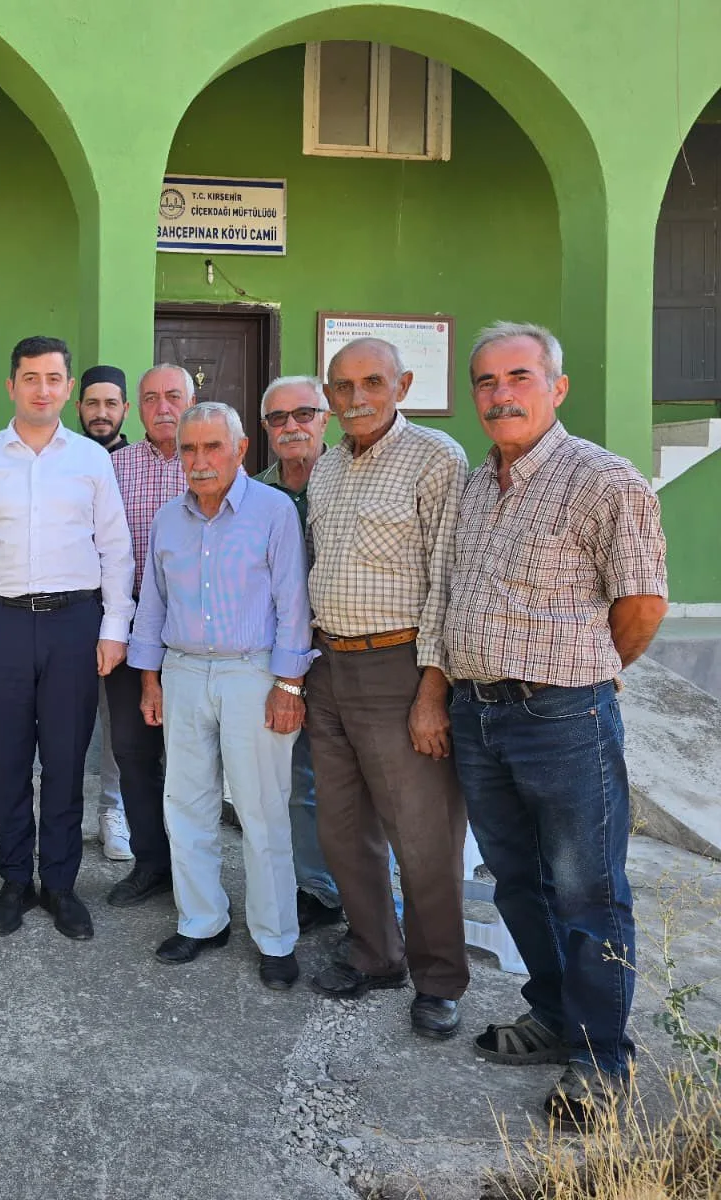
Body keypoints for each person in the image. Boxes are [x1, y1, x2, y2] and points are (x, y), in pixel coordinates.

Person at [447, 322, 667, 1124]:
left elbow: (641, 607)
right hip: (480, 712)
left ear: (557, 387)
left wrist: (578, 677)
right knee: (515, 881)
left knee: (588, 892)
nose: (500, 394)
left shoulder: (605, 481)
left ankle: (602, 1062)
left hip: (564, 716)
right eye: (485, 381)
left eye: (518, 377)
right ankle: (553, 1012)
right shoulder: (476, 484)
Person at [0, 335, 133, 940]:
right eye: (31, 378)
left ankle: (60, 882)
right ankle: (14, 880)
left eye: (53, 379)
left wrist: (113, 628)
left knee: (68, 756)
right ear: (12, 386)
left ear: (67, 388)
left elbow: (116, 551)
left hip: (74, 624)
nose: (42, 389)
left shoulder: (91, 461)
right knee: (11, 756)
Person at [305, 337, 469, 1041]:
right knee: (342, 828)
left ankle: (440, 981)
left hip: (400, 667)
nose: (356, 397)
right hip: (328, 667)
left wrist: (433, 691)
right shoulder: (327, 468)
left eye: (372, 381)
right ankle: (377, 954)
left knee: (422, 835)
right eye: (341, 386)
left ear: (402, 383)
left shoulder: (438, 460)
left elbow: (447, 583)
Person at [130, 403, 311, 988]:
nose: (200, 462)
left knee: (261, 811)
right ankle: (202, 921)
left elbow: (293, 605)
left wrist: (288, 684)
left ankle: (276, 937)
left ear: (240, 451)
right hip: (182, 672)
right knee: (184, 805)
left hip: (251, 674)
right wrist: (150, 677)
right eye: (189, 450)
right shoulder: (167, 519)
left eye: (213, 448)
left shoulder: (274, 512)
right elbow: (153, 603)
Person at [253, 376, 344, 934]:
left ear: (325, 417)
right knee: (297, 780)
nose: (290, 427)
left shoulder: (351, 477)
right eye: (277, 419)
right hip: (282, 657)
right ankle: (317, 888)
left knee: (360, 785)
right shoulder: (258, 492)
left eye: (303, 414)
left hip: (348, 651)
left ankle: (380, 907)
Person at [105, 364, 193, 907]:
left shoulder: (215, 462)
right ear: (138, 408)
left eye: (174, 397)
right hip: (129, 626)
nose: (163, 408)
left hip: (195, 635)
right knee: (133, 753)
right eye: (152, 398)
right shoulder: (111, 468)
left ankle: (192, 869)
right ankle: (150, 863)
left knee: (191, 757)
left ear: (192, 399)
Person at [76, 364, 132, 860]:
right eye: (92, 404)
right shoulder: (62, 460)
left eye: (110, 404)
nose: (101, 413)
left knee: (118, 721)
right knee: (65, 719)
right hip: (67, 615)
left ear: (123, 410)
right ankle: (59, 815)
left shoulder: (137, 464)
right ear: (79, 408)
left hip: (121, 617)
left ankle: (112, 811)